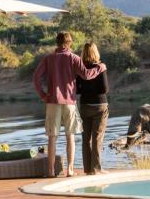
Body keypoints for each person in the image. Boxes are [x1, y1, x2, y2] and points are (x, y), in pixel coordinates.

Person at [33, 32, 106, 177]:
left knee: (52, 138)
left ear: (57, 42)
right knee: (70, 136)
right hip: (69, 103)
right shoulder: (74, 58)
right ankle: (70, 170)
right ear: (69, 43)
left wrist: (43, 95)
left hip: (52, 101)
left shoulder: (48, 59)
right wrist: (100, 68)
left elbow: (36, 77)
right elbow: (86, 75)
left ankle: (51, 171)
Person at [76, 42, 109, 174]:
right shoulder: (101, 67)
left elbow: (77, 90)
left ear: (83, 53)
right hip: (100, 106)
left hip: (85, 105)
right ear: (96, 52)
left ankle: (88, 169)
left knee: (86, 139)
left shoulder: (80, 69)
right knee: (97, 138)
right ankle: (97, 168)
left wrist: (86, 89)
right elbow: (105, 89)